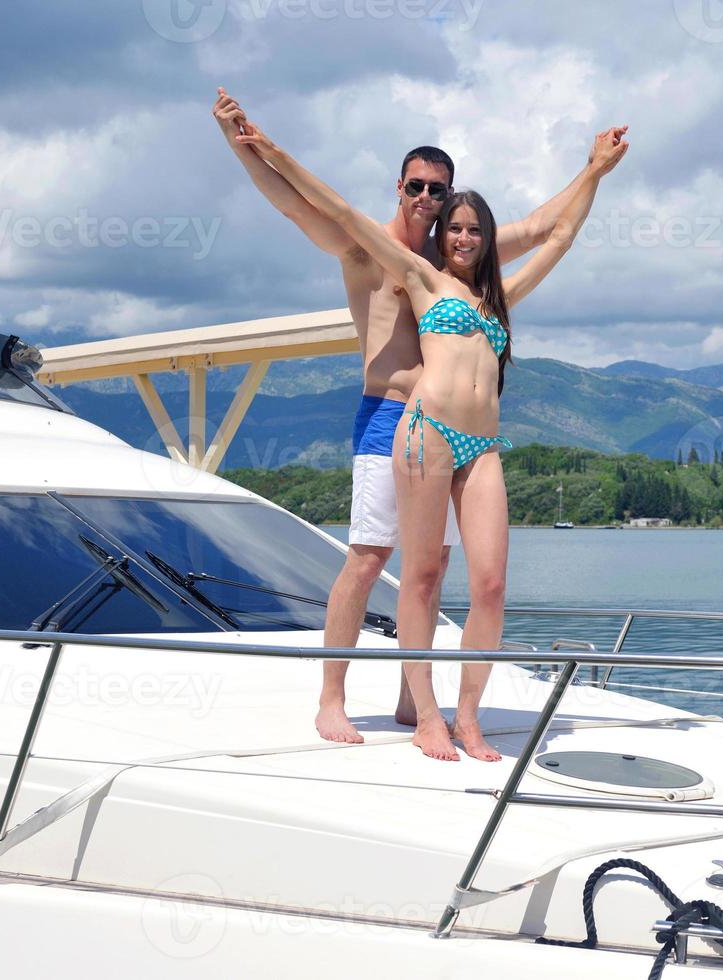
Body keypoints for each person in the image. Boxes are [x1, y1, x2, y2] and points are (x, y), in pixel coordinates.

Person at [212, 88, 626, 745]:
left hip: (457, 435)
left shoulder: (456, 259)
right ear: (400, 186)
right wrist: (251, 147)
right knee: (370, 558)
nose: (427, 199)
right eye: (417, 186)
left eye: (440, 190)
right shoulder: (367, 250)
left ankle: (417, 702)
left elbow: (549, 227)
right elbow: (299, 205)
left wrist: (592, 167)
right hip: (389, 415)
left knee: (431, 566)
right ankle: (331, 697)